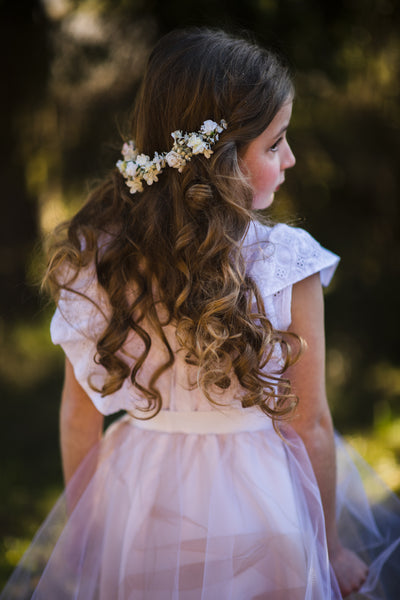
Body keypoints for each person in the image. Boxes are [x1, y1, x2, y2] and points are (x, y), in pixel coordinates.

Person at [2, 27, 400, 600]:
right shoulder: (287, 262)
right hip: (258, 503)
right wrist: (330, 547)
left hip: (142, 504)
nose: (291, 158)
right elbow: (309, 422)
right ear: (220, 161)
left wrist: (89, 533)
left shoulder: (99, 263)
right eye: (274, 143)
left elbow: (78, 417)